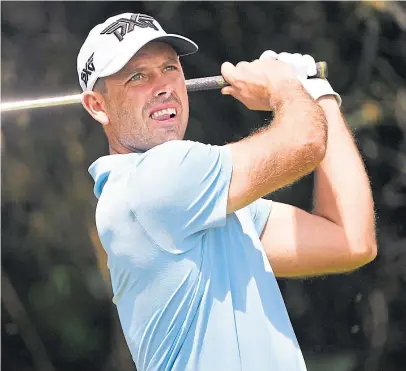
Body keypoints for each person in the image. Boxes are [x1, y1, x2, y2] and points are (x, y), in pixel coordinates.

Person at [78, 12, 377, 371]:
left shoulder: (201, 202)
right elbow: (305, 142)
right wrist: (286, 87)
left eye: (170, 68)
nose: (163, 85)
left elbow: (351, 240)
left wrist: (318, 93)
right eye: (137, 76)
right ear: (97, 105)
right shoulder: (153, 181)